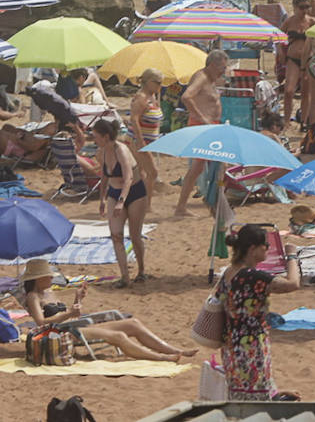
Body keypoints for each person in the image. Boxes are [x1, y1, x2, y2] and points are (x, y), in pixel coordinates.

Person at [17, 260, 191, 362]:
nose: (51, 278)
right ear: (37, 279)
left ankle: (173, 350)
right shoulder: (33, 296)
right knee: (119, 337)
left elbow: (72, 313)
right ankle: (161, 358)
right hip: (61, 333)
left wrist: (78, 299)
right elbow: (41, 324)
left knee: (133, 323)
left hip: (73, 326)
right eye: (48, 276)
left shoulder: (49, 291)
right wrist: (68, 313)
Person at [218, 224, 302, 400]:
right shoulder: (252, 276)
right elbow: (292, 284)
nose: (268, 248)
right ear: (252, 249)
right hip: (251, 344)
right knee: (256, 398)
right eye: (266, 244)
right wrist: (292, 257)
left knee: (240, 395)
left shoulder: (229, 273)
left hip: (231, 344)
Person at [92, 118, 149, 286]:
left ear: (106, 136)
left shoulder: (121, 150)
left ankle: (141, 270)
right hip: (114, 192)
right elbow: (104, 176)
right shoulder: (101, 152)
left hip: (135, 193)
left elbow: (129, 177)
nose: (94, 139)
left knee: (134, 235)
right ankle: (125, 276)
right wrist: (102, 198)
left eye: (96, 136)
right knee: (116, 235)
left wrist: (121, 201)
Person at [174, 50, 227, 216]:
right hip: (202, 126)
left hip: (211, 126)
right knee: (199, 167)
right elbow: (186, 97)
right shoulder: (202, 77)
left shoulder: (211, 79)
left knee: (218, 164)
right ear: (212, 65)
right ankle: (182, 206)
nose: (223, 72)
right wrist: (202, 117)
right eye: (222, 68)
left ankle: (214, 201)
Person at [279, 0, 314, 127]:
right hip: (292, 59)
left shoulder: (311, 21)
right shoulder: (289, 21)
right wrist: (281, 52)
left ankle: (304, 122)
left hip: (308, 59)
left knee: (306, 92)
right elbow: (278, 37)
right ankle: (287, 120)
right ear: (294, 7)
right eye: (301, 7)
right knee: (289, 91)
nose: (304, 10)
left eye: (307, 7)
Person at [127, 68, 164, 188]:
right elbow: (134, 119)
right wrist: (141, 141)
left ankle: (140, 203)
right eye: (158, 82)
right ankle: (146, 205)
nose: (160, 85)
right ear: (148, 82)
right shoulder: (141, 98)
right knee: (152, 173)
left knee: (140, 174)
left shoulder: (152, 97)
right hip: (138, 141)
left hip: (146, 142)